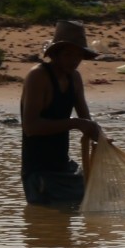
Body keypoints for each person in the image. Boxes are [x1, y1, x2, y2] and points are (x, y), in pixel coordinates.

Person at [21, 20, 101, 206]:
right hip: (39, 173)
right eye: (68, 54)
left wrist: (102, 139)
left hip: (63, 167)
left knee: (101, 196)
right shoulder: (38, 76)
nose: (74, 60)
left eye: (78, 55)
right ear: (55, 54)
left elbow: (86, 122)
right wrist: (74, 123)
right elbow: (31, 127)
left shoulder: (74, 78)